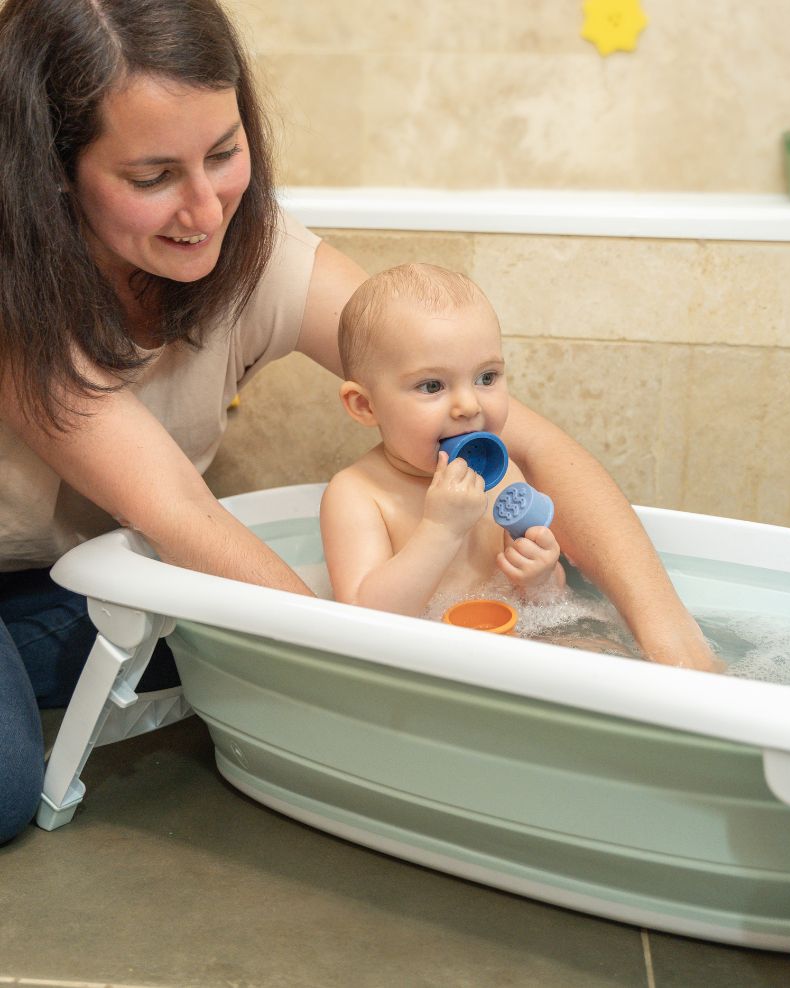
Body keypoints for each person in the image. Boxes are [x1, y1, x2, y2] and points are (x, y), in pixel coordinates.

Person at [0, 0, 718, 846]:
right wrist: (368, 681)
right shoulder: (18, 295)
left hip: (100, 570)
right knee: (9, 791)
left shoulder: (252, 251)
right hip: (56, 571)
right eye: (153, 177)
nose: (206, 209)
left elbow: (512, 426)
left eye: (225, 154)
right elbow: (177, 512)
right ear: (55, 173)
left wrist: (679, 652)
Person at [320, 264, 566, 616]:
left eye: (486, 377)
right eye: (432, 386)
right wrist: (440, 530)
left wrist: (541, 578)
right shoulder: (357, 495)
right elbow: (364, 617)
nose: (469, 405)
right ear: (365, 405)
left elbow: (553, 606)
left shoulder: (503, 475)